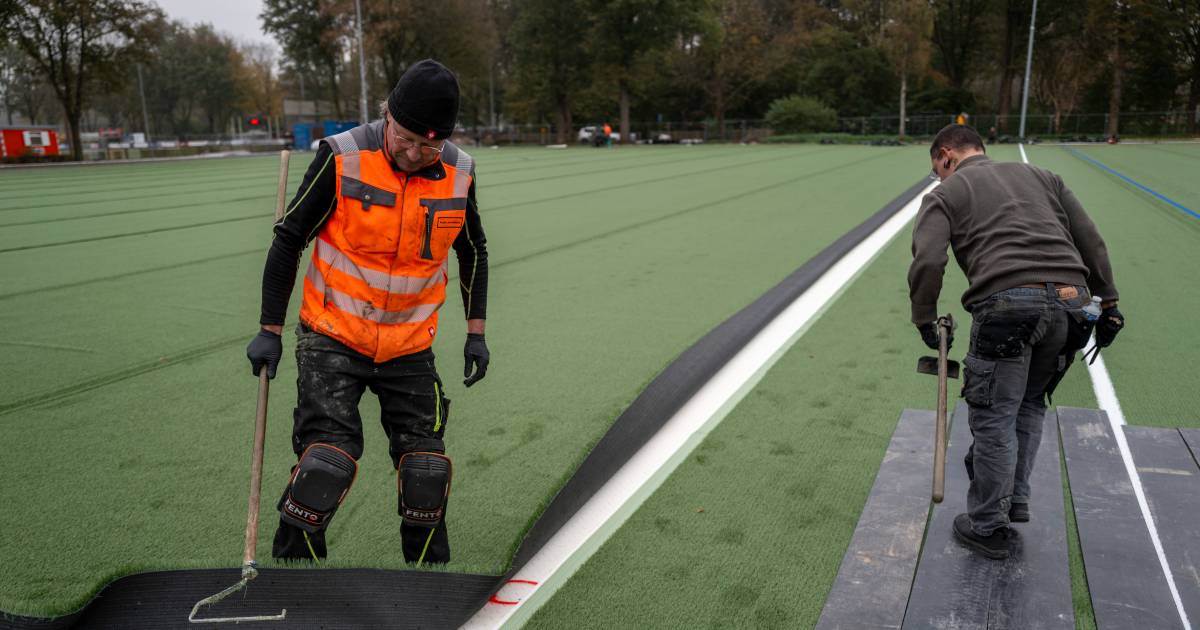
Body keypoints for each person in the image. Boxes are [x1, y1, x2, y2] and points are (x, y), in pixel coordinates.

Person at [245, 59, 489, 565]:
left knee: (426, 469)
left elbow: (473, 251)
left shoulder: (459, 172)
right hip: (334, 334)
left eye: (429, 146)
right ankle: (296, 558)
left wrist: (475, 332)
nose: (414, 153)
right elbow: (289, 239)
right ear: (386, 115)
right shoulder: (343, 157)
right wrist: (269, 328)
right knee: (326, 464)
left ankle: (426, 572)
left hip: (408, 344)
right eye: (404, 138)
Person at [908, 125, 1124, 560]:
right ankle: (1016, 500)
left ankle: (988, 525)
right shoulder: (1045, 177)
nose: (939, 178)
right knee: (1029, 405)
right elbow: (1091, 241)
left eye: (938, 169)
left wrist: (925, 319)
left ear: (947, 156)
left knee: (993, 416)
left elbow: (929, 260)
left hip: (1008, 307)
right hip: (1072, 305)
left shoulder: (946, 195)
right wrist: (1111, 302)